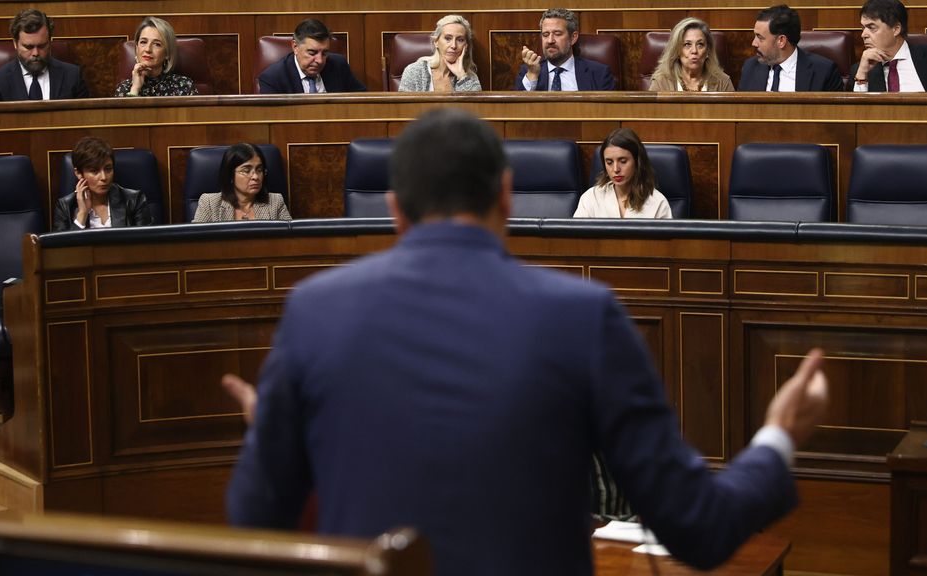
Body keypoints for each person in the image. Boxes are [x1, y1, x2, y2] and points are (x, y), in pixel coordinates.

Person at [225, 107, 829, 575]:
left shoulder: (312, 312)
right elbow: (699, 526)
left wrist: (277, 441)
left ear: (394, 210)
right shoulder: (585, 315)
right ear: (507, 197)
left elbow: (255, 521)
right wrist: (778, 437)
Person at [53, 137, 153, 231]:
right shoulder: (65, 207)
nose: (104, 177)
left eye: (108, 169)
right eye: (94, 171)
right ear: (79, 173)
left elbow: (146, 245)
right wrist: (82, 214)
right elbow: (64, 248)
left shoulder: (134, 201)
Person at [737, 5, 844, 92]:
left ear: (781, 41)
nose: (754, 43)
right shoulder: (750, 67)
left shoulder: (824, 71)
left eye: (760, 38)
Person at [574, 128, 671, 219]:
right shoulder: (591, 198)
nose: (616, 169)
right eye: (609, 162)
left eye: (623, 161)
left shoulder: (658, 203)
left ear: (637, 162)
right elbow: (575, 235)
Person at [515, 8, 615, 91]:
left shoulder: (599, 73)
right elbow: (517, 109)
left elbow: (608, 112)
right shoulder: (527, 71)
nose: (550, 40)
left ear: (573, 37)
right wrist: (532, 75)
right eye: (545, 35)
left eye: (557, 34)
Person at [0, 9, 88, 101]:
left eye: (42, 46)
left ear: (50, 42)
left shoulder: (73, 76)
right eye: (29, 47)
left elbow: (85, 115)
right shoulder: (0, 81)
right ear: (15, 43)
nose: (36, 53)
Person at [258, 19, 366, 94]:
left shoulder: (338, 65)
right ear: (295, 47)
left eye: (324, 53)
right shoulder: (273, 78)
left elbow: (362, 100)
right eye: (312, 53)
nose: (319, 60)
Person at [191, 143, 291, 222]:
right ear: (230, 175)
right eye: (246, 171)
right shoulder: (209, 204)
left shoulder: (275, 202)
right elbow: (196, 243)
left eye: (259, 170)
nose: (255, 177)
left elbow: (289, 242)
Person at [114, 17, 197, 97]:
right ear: (136, 48)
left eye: (157, 44)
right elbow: (126, 112)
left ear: (167, 53)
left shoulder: (184, 86)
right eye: (143, 42)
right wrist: (135, 89)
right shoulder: (124, 88)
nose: (148, 49)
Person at [398, 15, 481, 92]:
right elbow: (403, 107)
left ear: (465, 46)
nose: (453, 45)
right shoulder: (415, 71)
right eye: (448, 38)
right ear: (436, 42)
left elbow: (472, 106)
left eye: (460, 40)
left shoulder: (470, 78)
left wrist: (462, 76)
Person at [649, 18, 734, 92]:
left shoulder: (723, 82)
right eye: (687, 44)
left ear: (708, 51)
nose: (694, 51)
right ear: (677, 50)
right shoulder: (661, 82)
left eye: (700, 44)